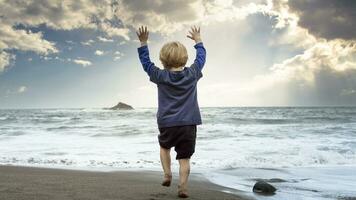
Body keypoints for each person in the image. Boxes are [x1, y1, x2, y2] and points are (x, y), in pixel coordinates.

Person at [136, 25, 206, 198]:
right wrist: (198, 41)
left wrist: (143, 43)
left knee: (164, 147)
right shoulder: (192, 74)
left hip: (167, 123)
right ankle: (183, 187)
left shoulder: (160, 76)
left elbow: (146, 64)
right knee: (184, 159)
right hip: (188, 124)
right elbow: (201, 58)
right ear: (184, 58)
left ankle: (167, 174)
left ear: (163, 60)